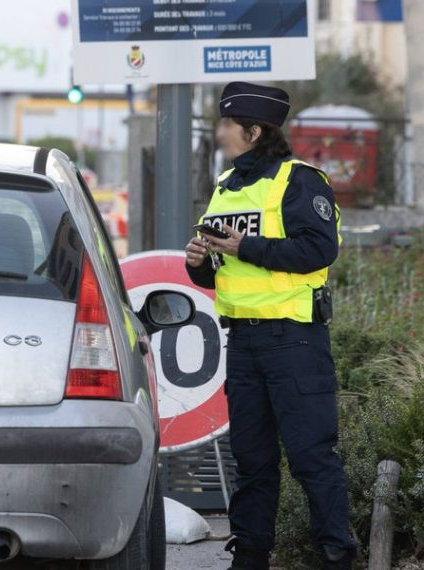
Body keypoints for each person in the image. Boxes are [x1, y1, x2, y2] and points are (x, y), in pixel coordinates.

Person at [184, 82, 354, 570]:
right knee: (252, 460)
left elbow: (318, 250)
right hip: (244, 341)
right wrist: (199, 262)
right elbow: (221, 270)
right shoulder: (225, 186)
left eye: (226, 124)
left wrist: (245, 247)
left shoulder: (299, 180)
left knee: (311, 456)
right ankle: (250, 555)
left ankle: (335, 556)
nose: (220, 132)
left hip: (293, 339)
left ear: (254, 131)